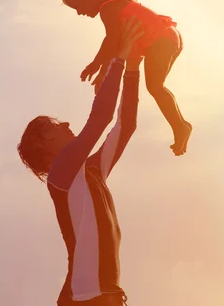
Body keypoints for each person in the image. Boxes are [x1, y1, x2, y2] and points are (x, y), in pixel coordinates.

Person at [16, 16, 144, 306]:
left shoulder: (92, 172)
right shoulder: (61, 172)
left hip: (105, 296)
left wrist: (134, 68)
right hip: (85, 298)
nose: (66, 125)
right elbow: (100, 119)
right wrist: (119, 60)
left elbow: (125, 126)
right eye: (56, 125)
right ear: (43, 143)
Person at [59, 0, 192, 156]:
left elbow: (111, 40)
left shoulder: (108, 8)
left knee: (155, 86)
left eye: (77, 6)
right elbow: (117, 46)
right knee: (155, 86)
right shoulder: (114, 5)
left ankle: (180, 127)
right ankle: (180, 126)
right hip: (168, 37)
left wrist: (95, 64)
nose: (79, 13)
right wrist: (105, 72)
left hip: (161, 39)